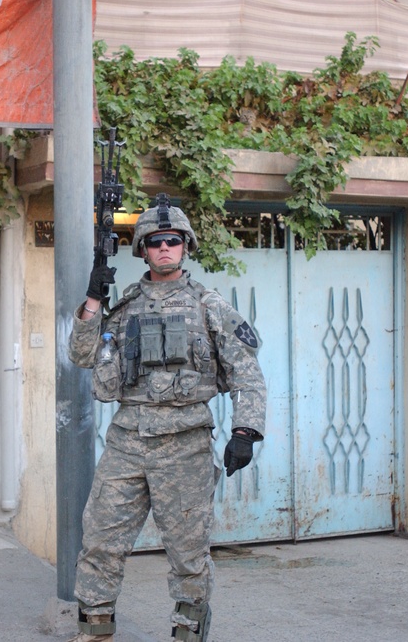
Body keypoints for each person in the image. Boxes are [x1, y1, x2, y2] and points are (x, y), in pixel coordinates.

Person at [66, 193, 267, 642]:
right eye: (154, 242)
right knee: (100, 540)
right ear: (141, 249)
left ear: (185, 246)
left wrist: (246, 431)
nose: (163, 249)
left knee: (188, 553)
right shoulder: (124, 307)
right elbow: (81, 355)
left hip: (185, 444)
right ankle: (95, 631)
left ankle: (187, 633)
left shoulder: (209, 306)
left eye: (172, 241)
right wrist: (93, 300)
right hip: (127, 442)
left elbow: (246, 373)